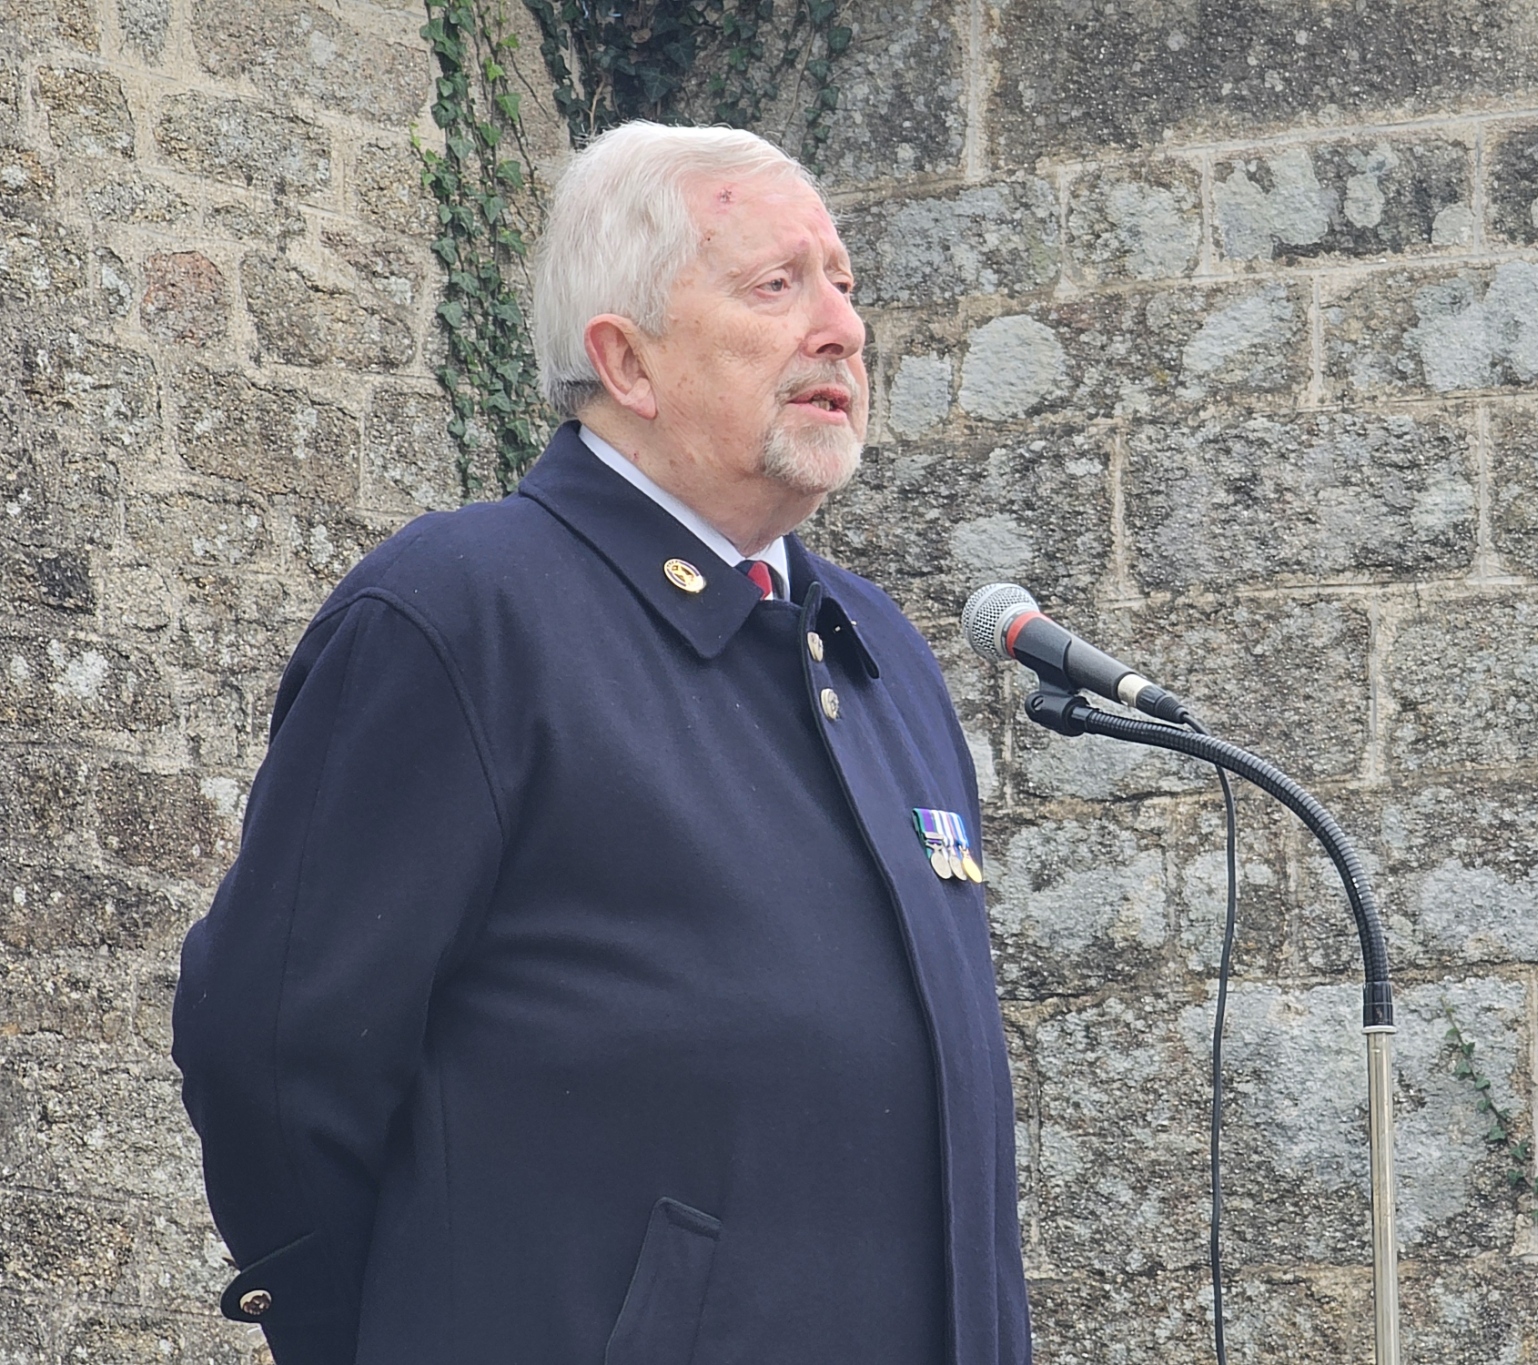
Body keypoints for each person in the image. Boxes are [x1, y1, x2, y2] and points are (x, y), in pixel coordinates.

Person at [171, 121, 1031, 1365]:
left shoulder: (874, 649)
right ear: (624, 360)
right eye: (774, 285)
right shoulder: (464, 612)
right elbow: (276, 1048)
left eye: (842, 282)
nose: (840, 325)